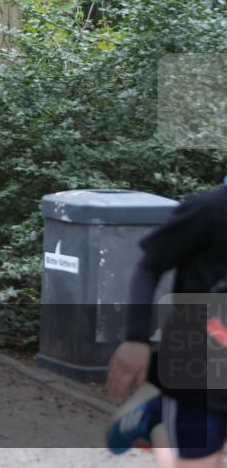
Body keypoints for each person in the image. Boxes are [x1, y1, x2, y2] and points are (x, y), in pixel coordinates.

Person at [106, 177, 227, 467]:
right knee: (197, 461)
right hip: (199, 367)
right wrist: (136, 339)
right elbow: (150, 267)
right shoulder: (207, 210)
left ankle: (157, 413)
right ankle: (158, 421)